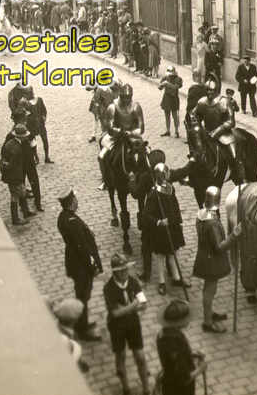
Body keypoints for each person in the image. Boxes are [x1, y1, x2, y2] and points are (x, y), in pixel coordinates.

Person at [103, 254, 155, 395]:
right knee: (121, 357)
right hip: (116, 327)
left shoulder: (133, 282)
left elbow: (144, 303)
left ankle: (146, 391)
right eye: (122, 270)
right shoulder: (109, 288)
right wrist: (132, 306)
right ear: (115, 272)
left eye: (126, 269)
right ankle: (126, 389)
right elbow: (114, 313)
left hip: (133, 324)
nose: (126, 272)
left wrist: (125, 309)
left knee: (140, 357)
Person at [194, 186, 244, 333]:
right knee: (210, 290)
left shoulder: (201, 213)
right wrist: (234, 235)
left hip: (204, 255)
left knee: (208, 289)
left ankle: (209, 313)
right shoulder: (213, 223)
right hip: (211, 260)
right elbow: (220, 247)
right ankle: (207, 322)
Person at [57, 188, 103, 341]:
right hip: (81, 267)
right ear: (71, 203)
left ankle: (81, 323)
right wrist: (93, 267)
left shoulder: (63, 217)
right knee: (83, 295)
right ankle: (82, 329)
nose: (77, 201)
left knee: (82, 294)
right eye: (75, 199)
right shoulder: (72, 222)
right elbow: (82, 248)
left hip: (74, 262)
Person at [142, 163, 190, 296]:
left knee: (173, 253)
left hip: (172, 226)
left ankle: (176, 278)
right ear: (161, 176)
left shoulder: (170, 188)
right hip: (161, 230)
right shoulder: (153, 194)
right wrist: (158, 222)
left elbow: (175, 206)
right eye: (166, 173)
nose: (169, 175)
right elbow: (146, 215)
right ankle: (162, 282)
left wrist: (178, 221)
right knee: (161, 256)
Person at [156, 299, 208, 395]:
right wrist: (201, 368)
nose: (188, 320)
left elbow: (173, 357)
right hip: (180, 391)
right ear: (178, 322)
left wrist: (192, 354)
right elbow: (184, 378)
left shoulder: (163, 333)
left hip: (169, 385)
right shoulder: (175, 341)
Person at [99, 83, 145, 200]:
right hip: (116, 137)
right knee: (101, 156)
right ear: (120, 96)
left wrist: (131, 133)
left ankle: (151, 177)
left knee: (147, 152)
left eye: (128, 97)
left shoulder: (136, 107)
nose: (126, 100)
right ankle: (106, 180)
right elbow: (109, 127)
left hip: (132, 136)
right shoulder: (112, 107)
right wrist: (119, 131)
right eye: (124, 97)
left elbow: (141, 127)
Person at [193, 78, 244, 182]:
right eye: (207, 90)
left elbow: (231, 121)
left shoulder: (224, 101)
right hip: (207, 133)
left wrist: (217, 132)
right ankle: (192, 172)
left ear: (216, 90)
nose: (209, 92)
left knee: (233, 154)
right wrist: (197, 126)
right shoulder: (202, 102)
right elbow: (194, 115)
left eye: (211, 90)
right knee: (196, 150)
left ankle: (237, 172)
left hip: (223, 134)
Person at [0, 123, 34, 225]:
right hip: (14, 175)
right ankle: (16, 219)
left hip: (11, 175)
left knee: (22, 192)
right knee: (15, 195)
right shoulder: (17, 148)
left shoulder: (10, 143)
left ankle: (26, 211)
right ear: (21, 137)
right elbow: (11, 165)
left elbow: (4, 157)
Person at [27, 86, 53, 164]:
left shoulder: (39, 100)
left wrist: (44, 117)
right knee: (32, 141)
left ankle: (47, 157)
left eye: (31, 92)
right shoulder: (26, 102)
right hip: (31, 125)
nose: (30, 93)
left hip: (40, 124)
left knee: (45, 140)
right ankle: (36, 157)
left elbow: (44, 110)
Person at [159, 66, 183, 138]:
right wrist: (162, 85)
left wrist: (167, 84)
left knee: (175, 115)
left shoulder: (178, 79)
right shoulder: (165, 77)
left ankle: (176, 131)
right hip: (166, 98)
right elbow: (160, 87)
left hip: (174, 98)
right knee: (167, 115)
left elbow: (176, 87)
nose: (170, 76)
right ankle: (168, 130)